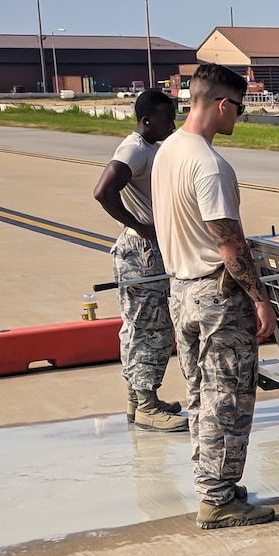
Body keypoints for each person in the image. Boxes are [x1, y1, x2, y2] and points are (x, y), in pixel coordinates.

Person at [151, 62, 279, 530]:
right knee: (228, 396)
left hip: (180, 291)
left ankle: (213, 483)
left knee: (201, 395)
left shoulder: (168, 151)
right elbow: (228, 242)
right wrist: (259, 296)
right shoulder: (209, 164)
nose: (237, 118)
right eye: (239, 109)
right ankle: (218, 500)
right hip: (215, 296)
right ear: (223, 104)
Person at [93, 88, 186, 433]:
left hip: (139, 252)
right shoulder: (134, 149)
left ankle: (138, 400)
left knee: (136, 328)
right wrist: (142, 226)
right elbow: (103, 190)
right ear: (147, 121)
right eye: (167, 118)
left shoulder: (149, 147)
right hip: (142, 254)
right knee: (153, 329)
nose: (172, 124)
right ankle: (147, 406)